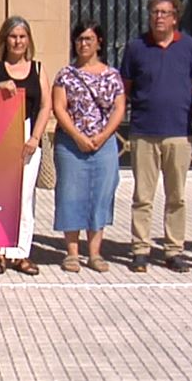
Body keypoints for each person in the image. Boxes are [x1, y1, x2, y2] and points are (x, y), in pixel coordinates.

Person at [120, 0, 192, 273]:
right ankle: (140, 249)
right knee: (142, 195)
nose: (159, 17)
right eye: (154, 12)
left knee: (176, 196)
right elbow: (126, 86)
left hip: (178, 132)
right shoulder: (135, 47)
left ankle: (173, 250)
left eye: (165, 13)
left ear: (175, 17)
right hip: (144, 131)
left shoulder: (190, 47)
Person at [0, 16, 50, 277]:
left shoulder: (38, 69)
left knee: (25, 197)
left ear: (28, 40)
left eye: (22, 36)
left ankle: (20, 252)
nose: (18, 41)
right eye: (13, 36)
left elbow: (45, 105)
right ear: (4, 39)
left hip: (27, 136)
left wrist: (35, 138)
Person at [52, 21, 125, 273]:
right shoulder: (65, 74)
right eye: (80, 39)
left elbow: (119, 108)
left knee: (101, 194)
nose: (84, 43)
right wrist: (78, 136)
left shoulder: (112, 75)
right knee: (70, 195)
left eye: (89, 39)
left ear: (99, 42)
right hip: (71, 144)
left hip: (104, 144)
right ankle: (72, 252)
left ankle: (95, 253)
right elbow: (59, 107)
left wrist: (103, 136)